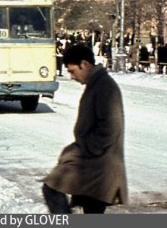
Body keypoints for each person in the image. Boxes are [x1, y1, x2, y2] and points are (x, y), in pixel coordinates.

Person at [42, 43, 127, 214]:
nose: (72, 77)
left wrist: (85, 149)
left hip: (98, 165)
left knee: (53, 187)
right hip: (93, 164)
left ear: (85, 64)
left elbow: (110, 126)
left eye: (73, 71)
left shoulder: (104, 86)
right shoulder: (96, 83)